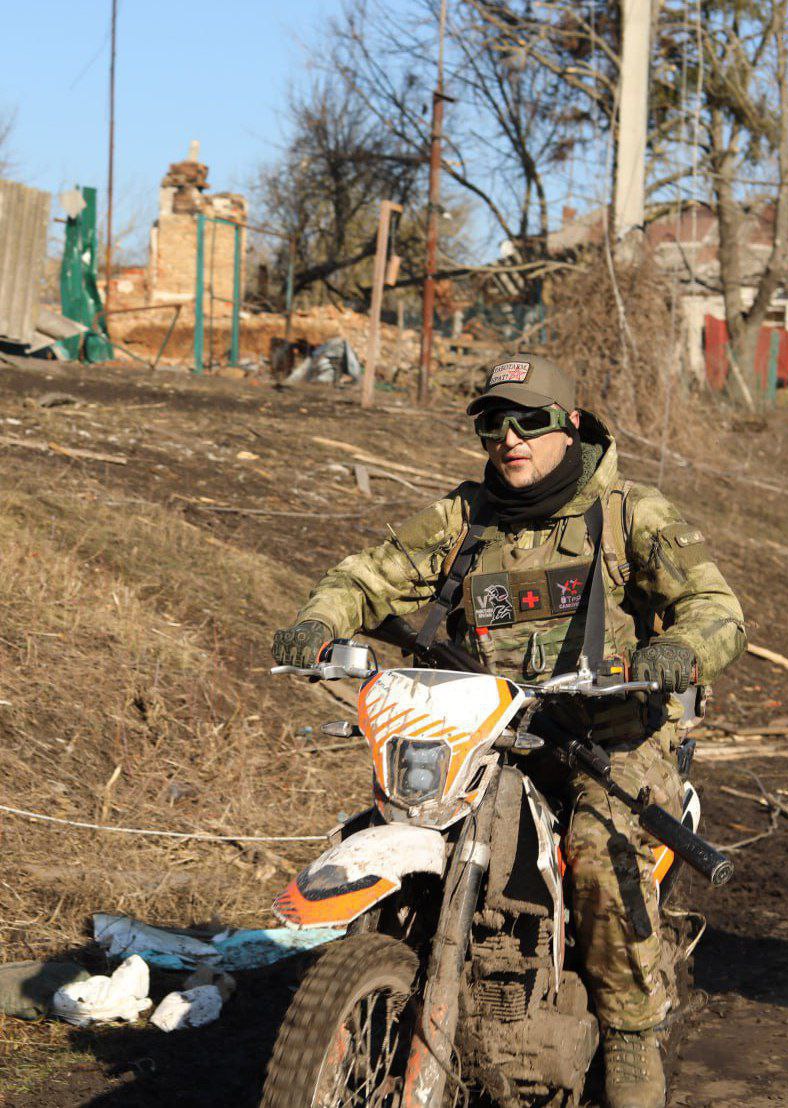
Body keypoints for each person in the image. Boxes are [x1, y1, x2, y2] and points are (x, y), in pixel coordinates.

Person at [273, 354, 746, 1108]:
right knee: (386, 816)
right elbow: (367, 573)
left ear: (571, 427)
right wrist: (319, 620)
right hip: (488, 733)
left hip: (614, 736)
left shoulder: (630, 512)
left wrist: (679, 652)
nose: (509, 437)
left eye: (529, 420)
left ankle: (629, 1042)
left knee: (596, 851)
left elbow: (718, 608)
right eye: (493, 422)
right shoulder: (464, 518)